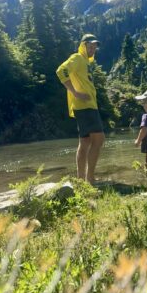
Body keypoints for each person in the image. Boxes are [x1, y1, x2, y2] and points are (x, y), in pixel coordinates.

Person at [56, 34, 105, 184]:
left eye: (95, 47)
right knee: (99, 139)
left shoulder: (85, 62)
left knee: (85, 142)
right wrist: (75, 92)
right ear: (83, 45)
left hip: (85, 107)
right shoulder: (77, 58)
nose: (92, 49)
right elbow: (61, 71)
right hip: (85, 107)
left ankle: (80, 179)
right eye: (90, 46)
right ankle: (90, 178)